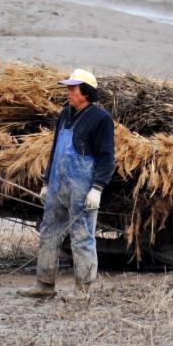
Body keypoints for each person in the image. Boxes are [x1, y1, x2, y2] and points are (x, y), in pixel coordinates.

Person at [19, 69, 115, 299]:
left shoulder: (101, 119)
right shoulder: (65, 114)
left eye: (73, 88)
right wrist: (46, 182)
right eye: (68, 87)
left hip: (82, 189)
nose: (68, 92)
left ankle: (83, 290)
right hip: (57, 185)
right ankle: (44, 284)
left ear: (87, 92)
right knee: (49, 232)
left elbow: (106, 157)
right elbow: (55, 150)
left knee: (82, 236)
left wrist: (97, 188)